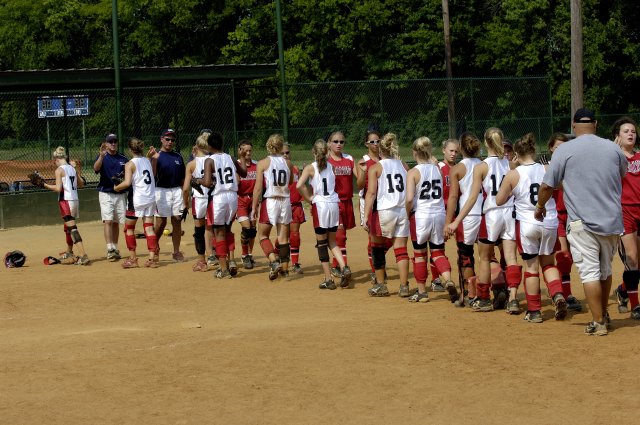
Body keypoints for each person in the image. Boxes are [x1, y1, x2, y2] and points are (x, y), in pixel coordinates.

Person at [535, 108, 626, 336]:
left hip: (581, 223)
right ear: (595, 124)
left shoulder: (565, 150)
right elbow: (622, 174)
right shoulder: (613, 148)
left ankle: (598, 322)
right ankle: (603, 314)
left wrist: (540, 207)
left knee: (590, 273)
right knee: (605, 271)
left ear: (573, 125)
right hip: (611, 220)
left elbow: (547, 186)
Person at [447, 128, 521, 313]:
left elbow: (473, 197)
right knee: (510, 257)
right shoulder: (510, 164)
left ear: (486, 143)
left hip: (491, 215)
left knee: (485, 258)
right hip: (509, 213)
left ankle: (483, 298)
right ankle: (512, 298)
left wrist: (456, 221)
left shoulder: (482, 166)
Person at [495, 133, 567, 323]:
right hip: (549, 221)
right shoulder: (546, 168)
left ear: (516, 154)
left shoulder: (513, 174)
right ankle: (558, 294)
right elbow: (561, 186)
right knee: (549, 264)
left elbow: (499, 200)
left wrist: (512, 187)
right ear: (534, 151)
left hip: (527, 223)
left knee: (531, 268)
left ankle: (534, 311)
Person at [405, 137, 457, 303]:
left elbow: (409, 199)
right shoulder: (438, 169)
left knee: (420, 255)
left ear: (414, 152)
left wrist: (406, 213)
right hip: (439, 214)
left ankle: (422, 292)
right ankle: (448, 279)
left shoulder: (413, 172)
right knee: (438, 252)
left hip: (421, 215)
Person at [296, 139, 350, 289]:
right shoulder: (332, 166)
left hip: (320, 206)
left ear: (313, 152)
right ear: (327, 152)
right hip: (333, 204)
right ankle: (344, 267)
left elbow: (299, 185)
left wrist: (309, 198)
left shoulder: (310, 168)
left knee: (322, 243)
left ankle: (328, 279)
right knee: (332, 241)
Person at [363, 133, 411, 297]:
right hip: (402, 210)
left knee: (377, 248)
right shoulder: (404, 165)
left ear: (381, 150)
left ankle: (381, 285)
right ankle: (404, 286)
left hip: (384, 210)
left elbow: (371, 193)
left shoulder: (376, 167)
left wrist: (365, 216)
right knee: (401, 249)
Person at [197, 131, 247, 279]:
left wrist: (197, 180)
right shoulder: (230, 157)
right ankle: (231, 261)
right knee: (228, 230)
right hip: (232, 196)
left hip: (219, 197)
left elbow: (207, 183)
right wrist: (242, 158)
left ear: (209, 146)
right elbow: (244, 173)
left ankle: (223, 269)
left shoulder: (209, 160)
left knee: (218, 233)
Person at [444, 132, 483, 306]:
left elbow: (453, 197)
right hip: (485, 213)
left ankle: (468, 294)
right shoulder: (484, 164)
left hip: (467, 215)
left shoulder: (458, 168)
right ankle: (498, 290)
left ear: (461, 149)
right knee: (488, 255)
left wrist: (449, 222)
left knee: (465, 255)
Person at [250, 134, 294, 280]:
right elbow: (290, 181)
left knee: (263, 235)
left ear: (268, 146)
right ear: (281, 147)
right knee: (283, 238)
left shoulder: (262, 163)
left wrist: (254, 207)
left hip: (271, 201)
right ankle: (285, 269)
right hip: (285, 200)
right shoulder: (288, 163)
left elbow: (258, 188)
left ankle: (274, 261)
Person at [547, 133, 582, 312]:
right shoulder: (547, 168)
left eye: (564, 147)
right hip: (555, 217)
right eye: (557, 147)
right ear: (550, 148)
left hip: (573, 215)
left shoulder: (572, 166)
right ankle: (564, 294)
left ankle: (560, 290)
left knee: (572, 256)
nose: (561, 150)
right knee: (563, 254)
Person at [610, 117, 640, 319]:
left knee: (638, 262)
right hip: (624, 211)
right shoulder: (614, 158)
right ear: (617, 136)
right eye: (626, 131)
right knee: (632, 257)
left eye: (633, 131)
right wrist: (614, 152)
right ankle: (636, 305)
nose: (630, 134)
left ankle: (622, 290)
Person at [113, 138, 159, 268]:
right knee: (149, 228)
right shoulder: (147, 161)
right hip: (150, 198)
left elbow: (127, 183)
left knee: (129, 228)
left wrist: (116, 187)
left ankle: (133, 259)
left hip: (137, 199)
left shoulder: (129, 164)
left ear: (130, 150)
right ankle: (152, 259)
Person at [41, 146, 90, 265]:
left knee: (72, 229)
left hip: (65, 201)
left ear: (57, 159)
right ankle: (69, 251)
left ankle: (83, 255)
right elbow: (81, 184)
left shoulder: (59, 170)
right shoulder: (72, 168)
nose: (55, 163)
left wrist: (44, 185)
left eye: (54, 161)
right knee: (67, 227)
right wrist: (77, 170)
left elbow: (58, 188)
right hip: (74, 200)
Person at [356, 127, 390, 284]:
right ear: (366, 144)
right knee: (373, 238)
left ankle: (378, 263)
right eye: (372, 142)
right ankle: (375, 271)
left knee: (388, 238)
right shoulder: (364, 160)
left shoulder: (385, 159)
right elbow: (360, 185)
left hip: (385, 201)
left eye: (378, 141)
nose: (376, 144)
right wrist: (363, 171)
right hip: (369, 201)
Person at [149, 128, 186, 262]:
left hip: (176, 190)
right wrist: (153, 160)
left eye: (172, 140)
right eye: (167, 139)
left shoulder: (178, 156)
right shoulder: (156, 155)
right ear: (161, 139)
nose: (170, 142)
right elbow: (152, 175)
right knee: (161, 223)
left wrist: (185, 195)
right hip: (161, 190)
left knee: (177, 220)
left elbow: (183, 178)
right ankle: (154, 247)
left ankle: (176, 252)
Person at [327, 131, 359, 276]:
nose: (339, 144)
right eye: (335, 141)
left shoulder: (349, 158)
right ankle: (343, 267)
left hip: (348, 202)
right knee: (339, 236)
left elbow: (359, 178)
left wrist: (365, 171)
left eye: (341, 141)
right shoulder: (326, 160)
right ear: (329, 143)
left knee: (342, 235)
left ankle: (335, 266)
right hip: (334, 202)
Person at [429, 138, 460, 292]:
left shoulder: (460, 168)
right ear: (443, 151)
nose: (453, 154)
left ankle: (466, 276)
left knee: (464, 246)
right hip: (442, 212)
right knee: (438, 247)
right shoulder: (438, 167)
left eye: (456, 151)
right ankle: (436, 280)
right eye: (451, 150)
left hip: (458, 212)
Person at [93, 133, 128, 261]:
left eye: (115, 141)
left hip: (120, 194)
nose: (113, 144)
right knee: (108, 221)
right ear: (106, 144)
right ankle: (110, 249)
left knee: (116, 222)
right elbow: (95, 169)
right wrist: (101, 156)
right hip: (106, 193)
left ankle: (115, 248)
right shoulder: (102, 156)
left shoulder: (123, 158)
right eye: (110, 141)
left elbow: (129, 174)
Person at [182, 133, 212, 272]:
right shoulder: (214, 160)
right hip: (214, 198)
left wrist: (185, 204)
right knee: (217, 229)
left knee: (199, 231)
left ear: (197, 146)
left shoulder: (192, 164)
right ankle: (224, 259)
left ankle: (202, 261)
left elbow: (186, 189)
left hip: (199, 199)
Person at [236, 139, 259, 269]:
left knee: (253, 230)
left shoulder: (257, 165)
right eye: (245, 151)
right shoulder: (237, 165)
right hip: (240, 199)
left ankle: (250, 254)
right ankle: (244, 255)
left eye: (250, 150)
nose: (248, 153)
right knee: (246, 228)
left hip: (253, 200)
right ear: (240, 151)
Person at [283, 144, 305, 274]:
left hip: (296, 206)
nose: (285, 155)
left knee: (294, 235)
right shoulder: (276, 170)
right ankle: (278, 254)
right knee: (283, 236)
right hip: (283, 206)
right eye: (282, 153)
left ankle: (295, 263)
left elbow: (301, 187)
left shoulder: (296, 169)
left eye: (287, 152)